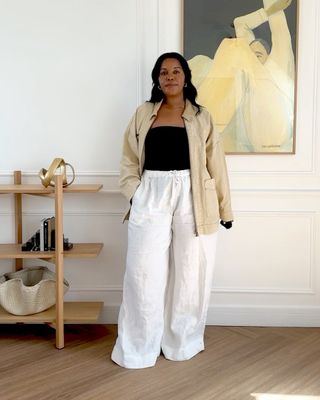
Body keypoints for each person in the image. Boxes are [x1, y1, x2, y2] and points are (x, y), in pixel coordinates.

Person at [111, 52, 233, 369]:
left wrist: (225, 208)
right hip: (150, 191)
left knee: (191, 272)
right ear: (157, 79)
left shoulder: (202, 117)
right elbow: (127, 159)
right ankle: (138, 348)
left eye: (175, 71)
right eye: (163, 72)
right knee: (143, 272)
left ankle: (183, 342)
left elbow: (216, 165)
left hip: (194, 196)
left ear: (185, 76)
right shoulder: (142, 114)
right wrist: (135, 193)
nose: (170, 76)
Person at [188, 0, 295, 153]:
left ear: (269, 56)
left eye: (258, 55)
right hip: (252, 138)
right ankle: (207, 125)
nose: (252, 59)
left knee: (233, 50)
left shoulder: (278, 64)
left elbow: (275, 30)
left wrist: (273, 10)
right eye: (250, 55)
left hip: (278, 138)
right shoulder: (247, 72)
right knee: (230, 55)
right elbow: (240, 25)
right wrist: (264, 13)